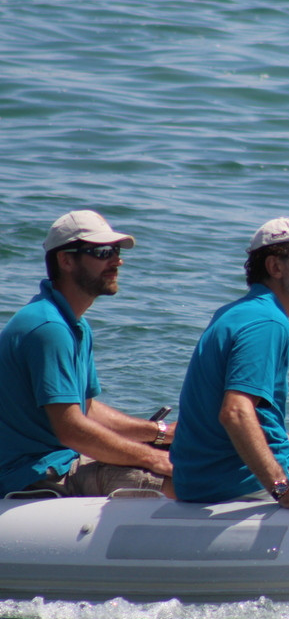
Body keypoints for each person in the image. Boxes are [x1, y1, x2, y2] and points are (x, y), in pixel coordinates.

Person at [170, 218, 289, 514]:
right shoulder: (267, 323)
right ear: (275, 267)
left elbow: (254, 411)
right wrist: (283, 489)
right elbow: (235, 412)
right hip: (240, 483)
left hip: (197, 482)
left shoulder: (235, 313)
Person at [0, 210, 174, 498]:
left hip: (62, 457)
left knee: (184, 453)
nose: (117, 260)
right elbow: (71, 429)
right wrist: (153, 458)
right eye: (103, 251)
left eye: (116, 251)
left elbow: (87, 409)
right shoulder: (48, 328)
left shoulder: (73, 323)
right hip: (34, 471)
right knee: (186, 480)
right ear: (66, 260)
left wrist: (160, 433)